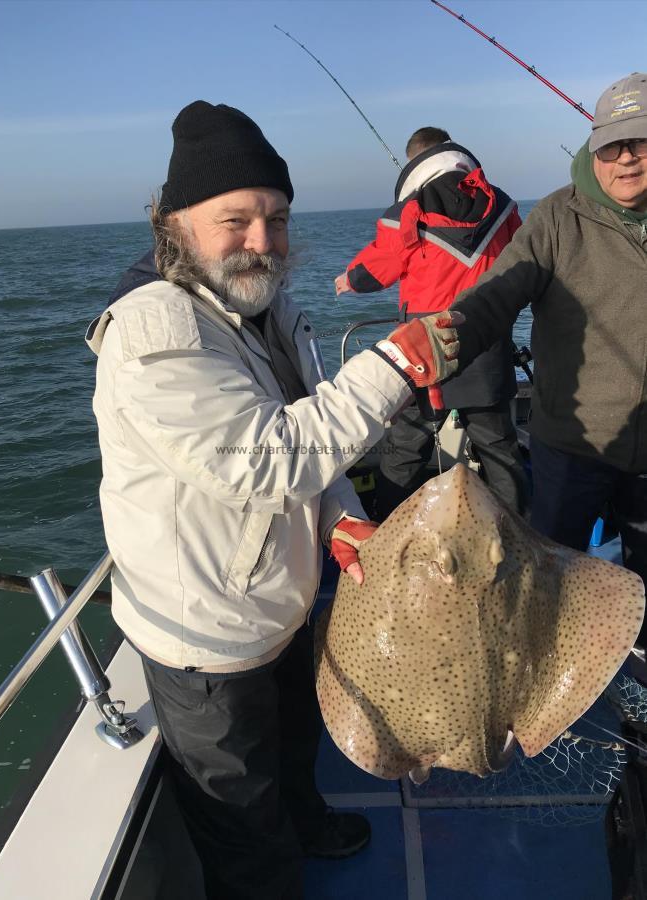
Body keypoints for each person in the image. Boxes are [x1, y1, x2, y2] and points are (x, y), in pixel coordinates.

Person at [86, 100, 460, 900]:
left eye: (277, 219)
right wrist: (396, 359)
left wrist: (339, 516)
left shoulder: (267, 309)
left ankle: (308, 818)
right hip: (207, 640)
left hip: (278, 604)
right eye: (236, 220)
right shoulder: (155, 333)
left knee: (293, 750)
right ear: (172, 221)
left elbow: (302, 429)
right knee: (241, 819)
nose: (262, 242)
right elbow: (265, 460)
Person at [450, 72, 647, 650]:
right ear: (594, 148)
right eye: (614, 144)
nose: (628, 158)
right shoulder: (558, 219)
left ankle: (636, 690)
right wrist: (447, 334)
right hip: (572, 443)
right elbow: (498, 291)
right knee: (547, 586)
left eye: (642, 141)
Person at [335, 127, 530, 520]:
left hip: (426, 344)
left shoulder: (411, 207)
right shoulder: (503, 205)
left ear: (415, 162)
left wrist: (349, 279)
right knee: (497, 443)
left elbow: (381, 264)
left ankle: (386, 525)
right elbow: (524, 260)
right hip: (486, 338)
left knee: (408, 443)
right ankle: (517, 531)